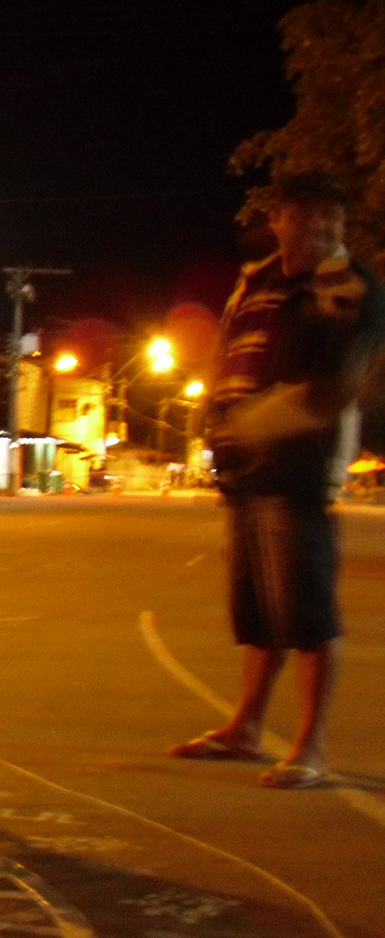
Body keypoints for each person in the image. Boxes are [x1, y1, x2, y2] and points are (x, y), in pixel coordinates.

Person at [170, 173, 385, 788]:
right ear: (280, 220)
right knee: (260, 612)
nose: (322, 228)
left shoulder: (349, 288)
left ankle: (310, 747)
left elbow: (337, 384)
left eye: (333, 219)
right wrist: (215, 423)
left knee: (307, 612)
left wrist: (256, 423)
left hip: (300, 468)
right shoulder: (257, 282)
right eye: (308, 215)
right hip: (244, 469)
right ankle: (245, 728)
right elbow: (225, 356)